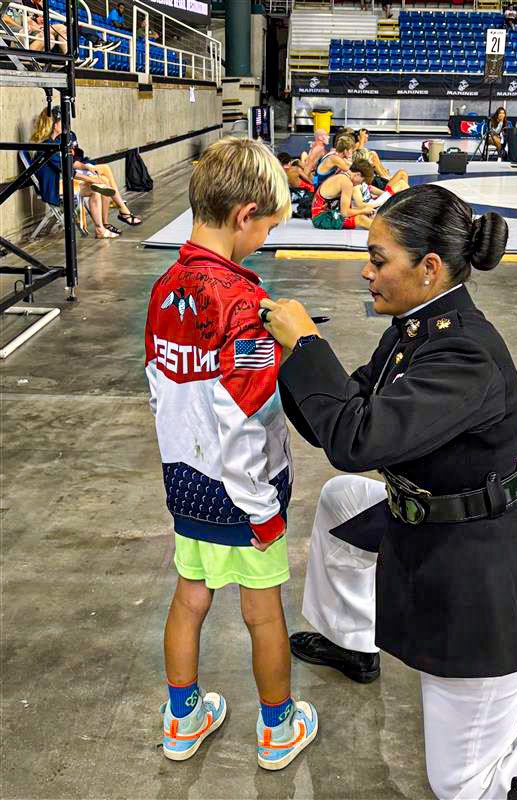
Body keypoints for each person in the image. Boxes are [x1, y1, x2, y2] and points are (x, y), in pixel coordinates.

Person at [258, 183, 517, 800]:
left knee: (464, 783)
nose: (367, 272)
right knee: (340, 504)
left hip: (480, 579)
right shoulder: (417, 328)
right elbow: (342, 414)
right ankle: (352, 644)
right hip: (431, 517)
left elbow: (356, 439)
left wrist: (307, 344)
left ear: (430, 267)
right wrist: (286, 358)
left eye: (379, 258)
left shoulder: (465, 356)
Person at [144, 137, 318, 770]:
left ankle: (182, 720)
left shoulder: (164, 288)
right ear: (245, 214)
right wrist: (260, 507)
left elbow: (161, 388)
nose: (265, 241)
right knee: (263, 613)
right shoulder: (245, 306)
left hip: (186, 484)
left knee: (189, 598)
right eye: (268, 227)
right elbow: (245, 414)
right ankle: (278, 728)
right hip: (243, 495)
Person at [30, 108, 119, 239]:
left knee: (100, 184)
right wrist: (92, 180)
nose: (67, 126)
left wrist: (88, 170)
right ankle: (101, 229)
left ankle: (101, 227)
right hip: (53, 188)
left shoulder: (57, 143)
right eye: (63, 122)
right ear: (55, 125)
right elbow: (67, 170)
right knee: (96, 188)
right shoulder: (48, 146)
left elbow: (70, 165)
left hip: (62, 181)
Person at [67, 122, 142, 227]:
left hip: (80, 165)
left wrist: (87, 166)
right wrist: (91, 177)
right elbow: (69, 164)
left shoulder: (71, 134)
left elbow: (76, 158)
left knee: (105, 174)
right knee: (104, 179)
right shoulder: (55, 141)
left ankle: (117, 210)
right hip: (72, 172)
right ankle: (120, 211)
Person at [311, 159, 376, 231]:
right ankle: (386, 231)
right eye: (363, 181)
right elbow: (345, 213)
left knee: (362, 215)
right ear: (358, 174)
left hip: (321, 214)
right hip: (321, 218)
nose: (361, 184)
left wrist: (363, 211)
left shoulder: (343, 175)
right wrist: (363, 210)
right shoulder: (347, 183)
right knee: (361, 219)